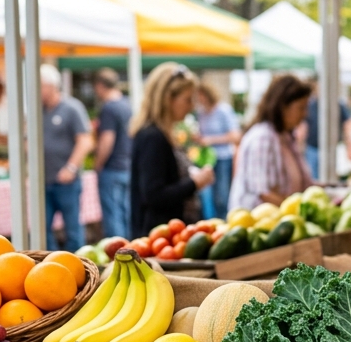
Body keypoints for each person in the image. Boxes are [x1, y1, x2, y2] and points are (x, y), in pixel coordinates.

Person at [129, 64, 214, 236]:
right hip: (158, 238)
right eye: (187, 99)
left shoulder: (158, 134)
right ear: (168, 99)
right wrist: (194, 183)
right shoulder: (153, 137)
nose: (191, 107)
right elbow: (154, 195)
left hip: (164, 236)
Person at [229, 75, 313, 211]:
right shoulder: (263, 138)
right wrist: (299, 212)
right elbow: (265, 194)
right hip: (259, 224)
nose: (305, 114)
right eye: (301, 108)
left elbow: (306, 184)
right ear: (282, 107)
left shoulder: (285, 137)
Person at [40, 64, 93, 251]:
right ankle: (50, 263)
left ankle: (78, 264)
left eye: (40, 86)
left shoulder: (72, 108)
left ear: (51, 86)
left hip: (66, 181)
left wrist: (71, 167)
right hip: (43, 180)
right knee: (42, 227)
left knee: (72, 227)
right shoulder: (38, 111)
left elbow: (85, 141)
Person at [92, 68, 132, 239]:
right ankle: (130, 249)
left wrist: (98, 163)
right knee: (124, 213)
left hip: (112, 168)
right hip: (126, 166)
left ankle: (117, 254)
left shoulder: (108, 108)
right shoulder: (126, 104)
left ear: (100, 86)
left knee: (112, 214)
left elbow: (107, 139)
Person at [194, 83, 240, 220]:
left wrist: (211, 140)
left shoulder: (223, 110)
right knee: (207, 198)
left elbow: (235, 136)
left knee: (222, 196)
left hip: (222, 159)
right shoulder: (201, 113)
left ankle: (224, 222)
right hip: (206, 160)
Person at [301, 83, 351, 180]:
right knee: (313, 178)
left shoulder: (339, 105)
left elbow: (348, 125)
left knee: (336, 177)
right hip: (313, 148)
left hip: (334, 148)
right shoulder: (310, 105)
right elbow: (303, 128)